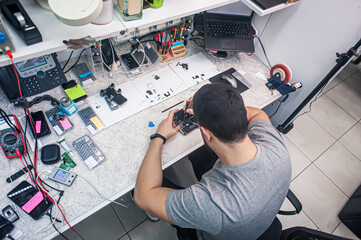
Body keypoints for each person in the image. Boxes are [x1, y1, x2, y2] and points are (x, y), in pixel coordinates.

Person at [134, 83, 291, 240]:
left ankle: (153, 214)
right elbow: (258, 114)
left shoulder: (214, 204)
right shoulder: (273, 143)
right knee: (199, 156)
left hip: (210, 230)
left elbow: (142, 196)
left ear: (206, 133)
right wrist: (215, 111)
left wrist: (159, 137)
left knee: (137, 184)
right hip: (257, 218)